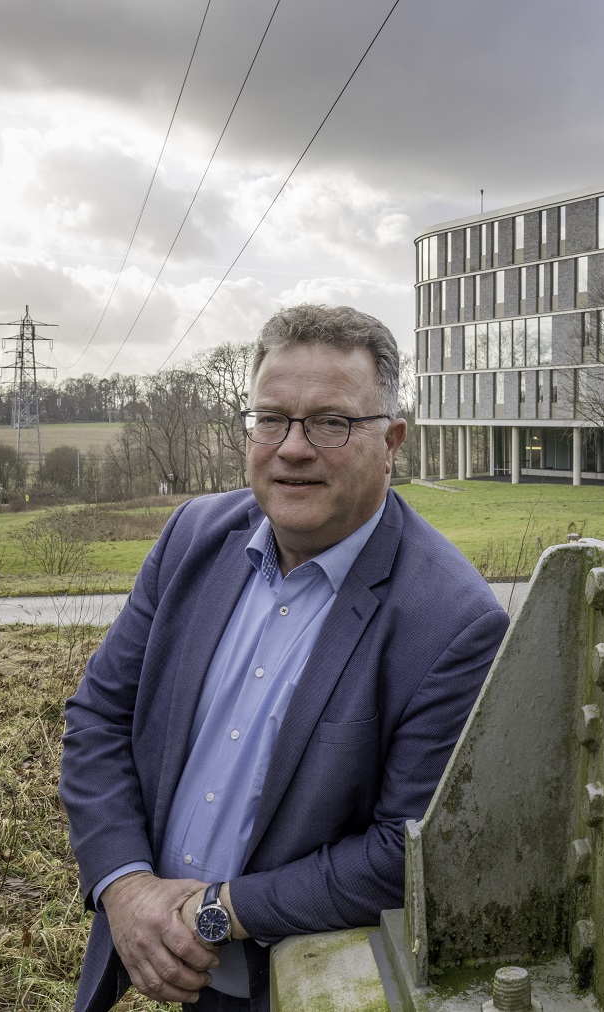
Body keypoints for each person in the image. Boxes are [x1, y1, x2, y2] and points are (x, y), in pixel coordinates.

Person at [60, 304, 508, 1012]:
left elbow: (404, 854)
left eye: (331, 422)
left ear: (391, 440)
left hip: (295, 985)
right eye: (272, 419)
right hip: (151, 950)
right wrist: (127, 889)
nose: (293, 448)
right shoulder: (192, 538)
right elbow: (99, 719)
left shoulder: (453, 623)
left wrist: (213, 912)